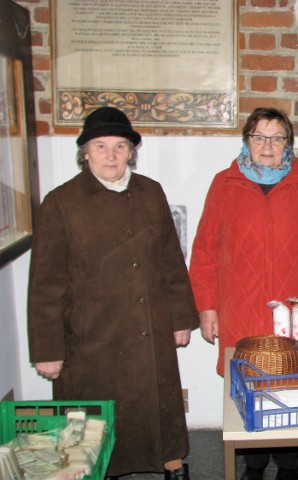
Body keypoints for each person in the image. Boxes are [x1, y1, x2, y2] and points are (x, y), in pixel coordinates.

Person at [27, 107, 199, 479]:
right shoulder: (61, 203)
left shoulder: (150, 192)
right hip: (91, 343)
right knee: (95, 431)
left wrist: (181, 318)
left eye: (120, 146)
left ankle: (173, 467)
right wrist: (47, 350)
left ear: (131, 152)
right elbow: (45, 285)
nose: (110, 155)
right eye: (100, 146)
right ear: (85, 152)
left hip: (149, 332)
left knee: (161, 419)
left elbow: (171, 259)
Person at [189, 107, 298, 480]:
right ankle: (253, 464)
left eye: (277, 138)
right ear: (247, 141)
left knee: (293, 387)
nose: (268, 146)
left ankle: (289, 467)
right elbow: (205, 249)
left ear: (288, 143)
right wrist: (206, 307)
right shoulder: (224, 184)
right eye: (259, 137)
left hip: (297, 310)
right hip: (241, 306)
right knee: (250, 387)